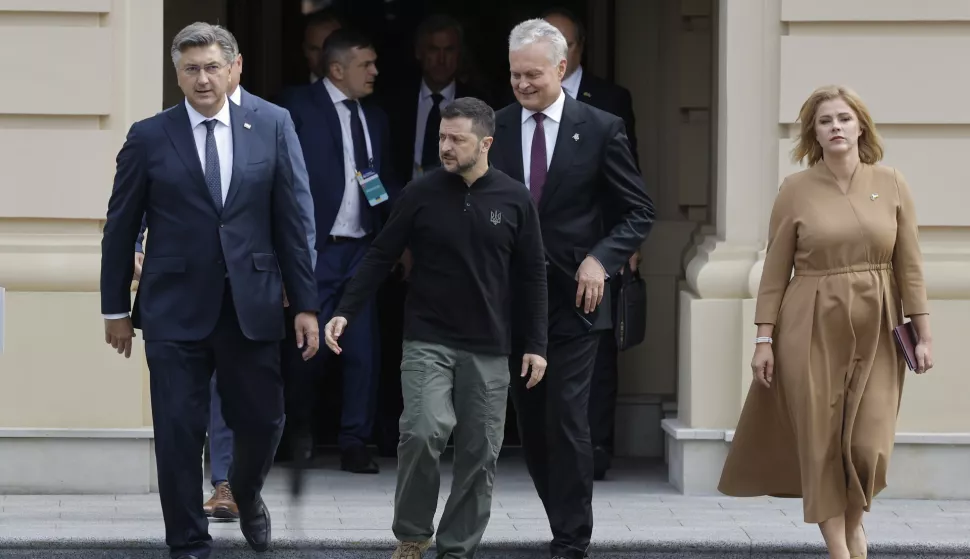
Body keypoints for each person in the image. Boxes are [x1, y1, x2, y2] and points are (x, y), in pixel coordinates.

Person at [100, 22, 319, 559]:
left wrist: (306, 302)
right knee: (178, 431)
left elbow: (294, 219)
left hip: (254, 304)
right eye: (191, 69)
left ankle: (244, 491)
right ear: (178, 74)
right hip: (173, 308)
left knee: (265, 420)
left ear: (235, 67)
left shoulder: (272, 123)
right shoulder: (150, 135)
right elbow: (121, 226)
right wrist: (114, 309)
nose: (203, 78)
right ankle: (187, 544)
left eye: (212, 66)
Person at [323, 97, 549, 559]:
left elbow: (533, 276)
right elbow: (382, 253)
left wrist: (536, 344)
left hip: (489, 345)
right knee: (423, 430)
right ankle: (411, 535)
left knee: (479, 451)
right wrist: (346, 309)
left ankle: (455, 549)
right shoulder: (420, 193)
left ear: (485, 142)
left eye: (456, 139)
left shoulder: (514, 198)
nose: (444, 146)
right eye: (442, 136)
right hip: (428, 338)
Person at [717, 85, 934, 559]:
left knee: (868, 446)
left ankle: (854, 527)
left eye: (843, 118)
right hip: (808, 323)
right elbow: (775, 271)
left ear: (861, 126)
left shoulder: (892, 182)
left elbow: (910, 265)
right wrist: (763, 339)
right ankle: (840, 548)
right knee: (819, 442)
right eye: (824, 121)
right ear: (813, 133)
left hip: (879, 324)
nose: (835, 127)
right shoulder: (794, 190)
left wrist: (922, 332)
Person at [489, 19, 655, 559]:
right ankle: (559, 516)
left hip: (576, 301)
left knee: (566, 415)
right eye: (515, 75)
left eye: (533, 74)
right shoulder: (495, 125)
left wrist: (599, 261)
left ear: (562, 68)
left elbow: (638, 211)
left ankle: (571, 538)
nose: (523, 84)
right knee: (532, 423)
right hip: (512, 299)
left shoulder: (601, 127)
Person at [276, 28, 401, 474]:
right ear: (336, 69)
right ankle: (295, 430)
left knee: (364, 350)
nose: (375, 71)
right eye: (365, 64)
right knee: (305, 348)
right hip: (316, 250)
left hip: (363, 249)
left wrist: (396, 233)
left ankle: (355, 441)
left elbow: (380, 180)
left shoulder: (376, 117)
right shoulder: (295, 107)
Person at [542, 5, 642, 479]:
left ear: (577, 50)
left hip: (594, 252)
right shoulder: (515, 105)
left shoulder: (609, 102)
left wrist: (615, 250)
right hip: (533, 260)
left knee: (596, 352)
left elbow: (629, 186)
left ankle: (596, 447)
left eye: (565, 43)